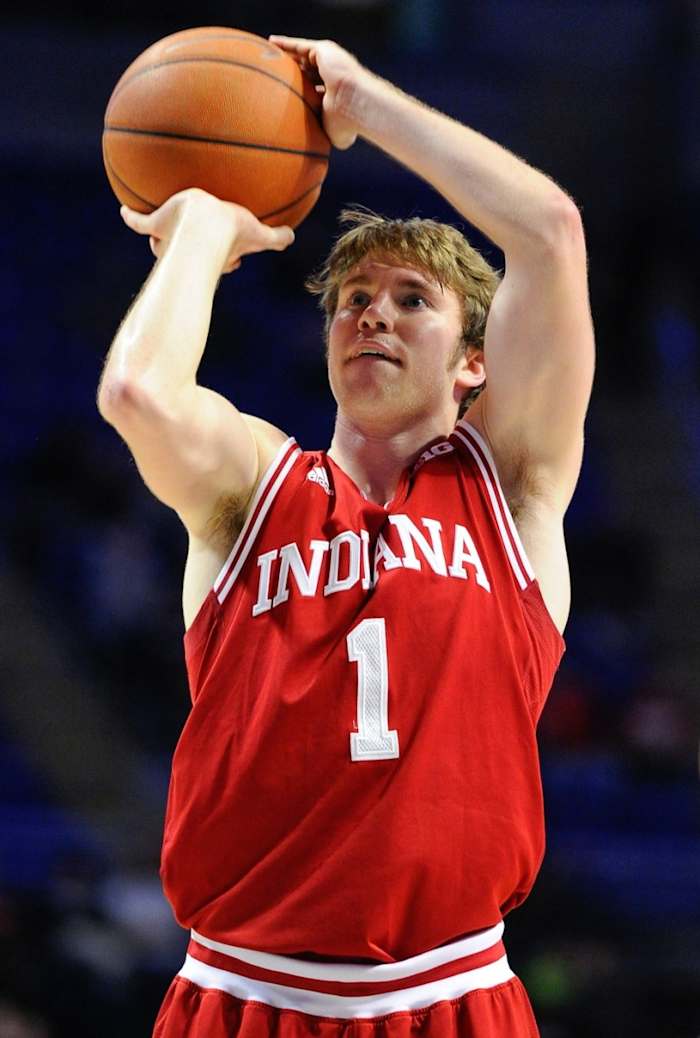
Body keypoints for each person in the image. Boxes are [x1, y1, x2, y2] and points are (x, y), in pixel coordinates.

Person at [98, 35, 594, 1038]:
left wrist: (365, 105)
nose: (373, 317)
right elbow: (136, 391)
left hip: (450, 998)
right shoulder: (249, 484)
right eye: (354, 302)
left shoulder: (513, 489)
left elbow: (548, 230)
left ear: (473, 365)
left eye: (414, 302)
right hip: (245, 996)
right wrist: (201, 224)